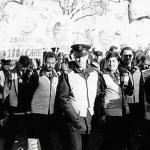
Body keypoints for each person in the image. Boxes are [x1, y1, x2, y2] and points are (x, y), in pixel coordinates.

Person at [55, 43, 105, 150]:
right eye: (76, 57)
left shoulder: (94, 73)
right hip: (74, 119)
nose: (78, 60)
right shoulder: (68, 74)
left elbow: (99, 94)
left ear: (87, 56)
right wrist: (74, 117)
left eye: (81, 57)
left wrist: (98, 113)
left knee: (88, 146)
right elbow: (63, 98)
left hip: (90, 118)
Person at [2, 56, 37, 150]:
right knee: (10, 133)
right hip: (15, 109)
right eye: (23, 66)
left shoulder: (32, 73)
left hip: (28, 109)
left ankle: (32, 148)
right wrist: (5, 108)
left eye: (27, 66)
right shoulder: (11, 73)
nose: (25, 68)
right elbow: (6, 90)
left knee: (31, 133)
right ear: (19, 63)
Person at [31, 52, 63, 150]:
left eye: (53, 63)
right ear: (44, 62)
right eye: (48, 63)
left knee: (47, 135)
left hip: (50, 111)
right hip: (38, 111)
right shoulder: (37, 74)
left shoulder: (56, 75)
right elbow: (29, 92)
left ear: (56, 63)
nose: (50, 65)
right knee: (41, 136)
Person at [119, 46, 144, 150]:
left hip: (137, 104)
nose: (128, 57)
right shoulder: (118, 70)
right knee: (125, 130)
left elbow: (142, 87)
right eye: (125, 55)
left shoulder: (138, 70)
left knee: (135, 129)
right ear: (121, 56)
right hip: (125, 104)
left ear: (133, 56)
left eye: (130, 55)